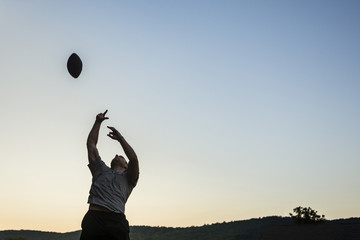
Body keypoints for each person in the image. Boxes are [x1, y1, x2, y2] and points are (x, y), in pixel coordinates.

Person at [80, 110, 139, 240]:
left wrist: (121, 139)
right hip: (94, 217)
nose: (117, 155)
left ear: (126, 166)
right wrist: (97, 122)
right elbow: (91, 145)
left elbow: (134, 159)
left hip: (116, 220)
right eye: (117, 155)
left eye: (121, 157)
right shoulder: (100, 169)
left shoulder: (129, 179)